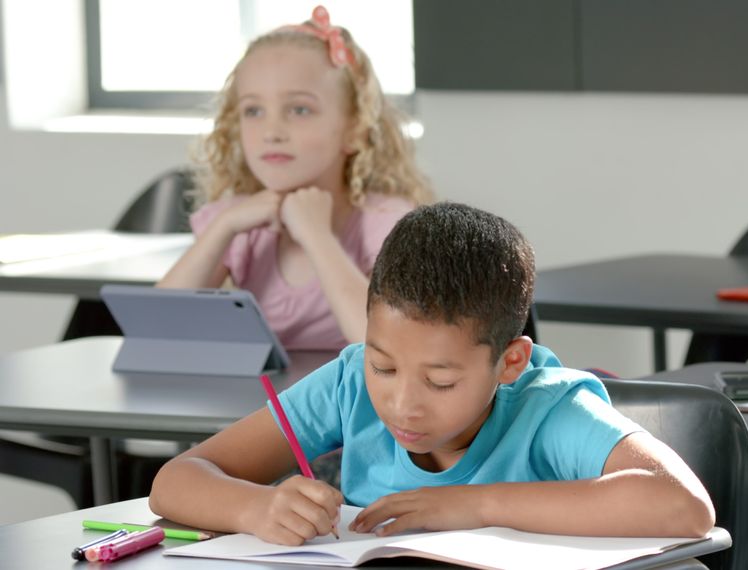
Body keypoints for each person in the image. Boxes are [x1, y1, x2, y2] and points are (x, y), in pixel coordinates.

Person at [149, 202, 715, 544]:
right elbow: (176, 480)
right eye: (384, 366)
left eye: (441, 381)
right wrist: (256, 508)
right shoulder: (349, 385)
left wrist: (478, 504)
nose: (402, 404)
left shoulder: (549, 408)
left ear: (510, 362)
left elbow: (682, 507)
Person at [158, 5, 432, 350]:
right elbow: (159, 326)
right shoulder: (238, 221)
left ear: (355, 129)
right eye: (253, 110)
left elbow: (387, 344)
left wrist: (316, 235)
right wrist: (223, 228)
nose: (272, 131)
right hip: (264, 404)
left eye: (299, 109)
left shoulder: (384, 221)